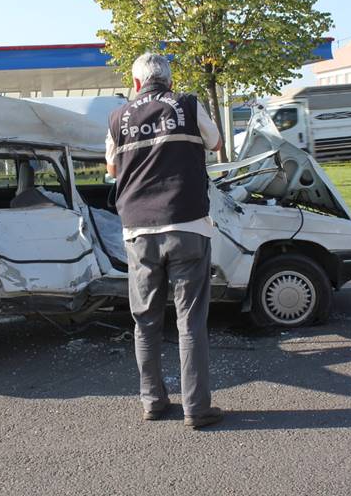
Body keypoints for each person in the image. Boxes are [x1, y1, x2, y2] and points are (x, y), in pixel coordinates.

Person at [105, 52, 224, 430]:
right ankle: (196, 409)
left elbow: (111, 168)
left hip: (138, 230)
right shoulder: (188, 104)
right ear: (169, 81)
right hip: (187, 224)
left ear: (137, 83)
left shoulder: (118, 116)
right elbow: (217, 142)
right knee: (190, 320)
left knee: (146, 320)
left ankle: (153, 401)